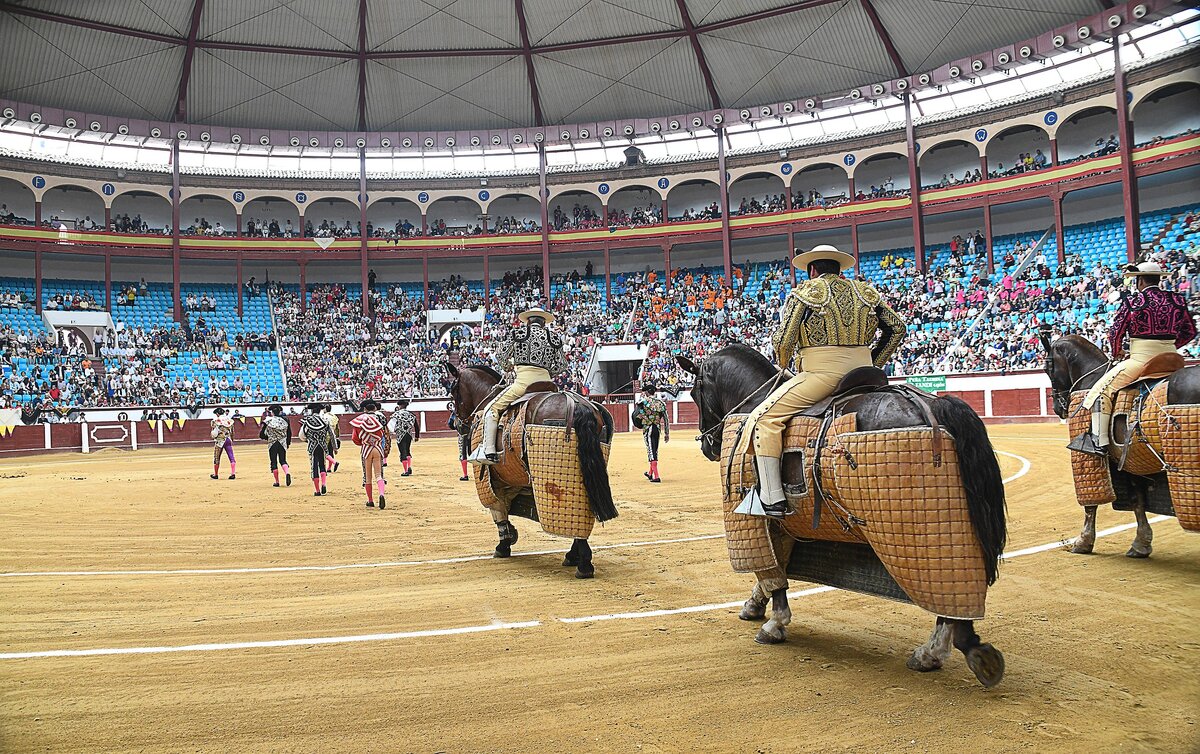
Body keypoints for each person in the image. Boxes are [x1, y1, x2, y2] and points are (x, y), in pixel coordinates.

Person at [735, 244, 906, 518]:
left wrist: (784, 362)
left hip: (822, 375)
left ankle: (772, 499)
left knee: (765, 420)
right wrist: (873, 362)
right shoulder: (867, 292)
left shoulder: (807, 292)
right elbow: (898, 329)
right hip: (864, 373)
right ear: (838, 269)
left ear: (812, 270)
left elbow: (783, 341)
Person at [1071, 261, 1198, 455]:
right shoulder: (1177, 300)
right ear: (1159, 279)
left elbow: (1115, 333)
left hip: (1141, 360)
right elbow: (1190, 331)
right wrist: (1169, 346)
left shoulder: (1134, 302)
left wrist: (1118, 353)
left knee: (1100, 391)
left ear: (1139, 281)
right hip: (1173, 359)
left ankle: (1099, 442)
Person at [468, 306, 567, 465]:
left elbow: (500, 356)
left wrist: (508, 367)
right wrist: (548, 372)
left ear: (528, 321)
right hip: (548, 385)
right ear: (543, 322)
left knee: (491, 410)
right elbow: (562, 366)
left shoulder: (518, 333)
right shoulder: (554, 338)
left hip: (523, 383)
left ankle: (489, 451)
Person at [350, 411, 387, 509]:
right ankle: (381, 494)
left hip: (366, 449)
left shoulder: (359, 424)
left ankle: (370, 500)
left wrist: (362, 442)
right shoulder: (377, 422)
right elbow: (382, 435)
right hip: (377, 448)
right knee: (379, 475)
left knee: (368, 477)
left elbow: (355, 439)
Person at [632, 384, 669, 483]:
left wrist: (642, 420)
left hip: (648, 428)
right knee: (654, 449)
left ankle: (656, 476)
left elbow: (636, 415)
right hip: (657, 428)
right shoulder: (660, 403)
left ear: (648, 392)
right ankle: (650, 473)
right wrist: (666, 433)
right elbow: (666, 419)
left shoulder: (643, 402)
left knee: (651, 450)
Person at [299, 403, 334, 496]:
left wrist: (308, 440)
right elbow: (332, 435)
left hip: (312, 446)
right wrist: (334, 447)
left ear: (312, 411)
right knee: (322, 465)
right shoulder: (325, 420)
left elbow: (301, 435)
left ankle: (317, 490)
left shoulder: (307, 421)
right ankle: (323, 483)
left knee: (314, 467)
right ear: (320, 411)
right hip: (323, 445)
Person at [258, 404, 292, 487]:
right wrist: (287, 443)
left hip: (272, 443)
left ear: (272, 412)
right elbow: (289, 433)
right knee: (283, 460)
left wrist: (267, 437)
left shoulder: (268, 421)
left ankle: (277, 482)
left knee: (273, 462)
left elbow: (262, 434)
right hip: (282, 442)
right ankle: (287, 472)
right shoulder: (285, 420)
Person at [391, 398, 419, 476]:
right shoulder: (411, 414)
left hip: (400, 435)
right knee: (407, 450)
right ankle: (409, 467)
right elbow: (416, 426)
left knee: (402, 452)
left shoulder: (396, 414)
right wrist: (417, 436)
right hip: (409, 435)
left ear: (400, 406)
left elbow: (391, 426)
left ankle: (406, 470)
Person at [209, 407, 237, 480]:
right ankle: (233, 473)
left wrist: (213, 436)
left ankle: (216, 474)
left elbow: (214, 432)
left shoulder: (215, 421)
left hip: (219, 441)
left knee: (216, 457)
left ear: (217, 413)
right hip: (228, 440)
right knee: (231, 457)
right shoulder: (229, 420)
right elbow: (232, 432)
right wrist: (232, 440)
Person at [447, 402, 469, 481]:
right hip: (473, 434)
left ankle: (465, 475)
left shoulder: (455, 413)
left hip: (462, 435)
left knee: (463, 454)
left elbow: (450, 424)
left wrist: (456, 429)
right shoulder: (470, 409)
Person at [322, 403, 341, 472]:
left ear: (325, 409)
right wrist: (337, 437)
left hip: (324, 436)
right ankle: (329, 468)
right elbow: (337, 428)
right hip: (332, 436)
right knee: (330, 452)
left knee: (323, 453)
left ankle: (334, 462)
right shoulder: (334, 417)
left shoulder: (323, 417)